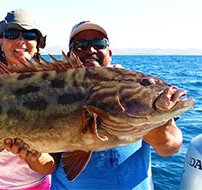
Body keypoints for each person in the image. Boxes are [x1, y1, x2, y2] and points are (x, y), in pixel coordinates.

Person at [49, 21, 183, 189]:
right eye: (80, 45)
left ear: (109, 53)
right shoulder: (54, 91)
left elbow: (171, 147)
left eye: (99, 44)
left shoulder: (132, 87)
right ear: (69, 56)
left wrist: (142, 119)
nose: (90, 50)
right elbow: (49, 161)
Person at [0, 9, 56, 190]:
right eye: (12, 34)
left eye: (29, 35)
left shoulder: (54, 86)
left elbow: (51, 165)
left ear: (38, 43)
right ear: (1, 42)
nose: (21, 41)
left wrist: (34, 156)